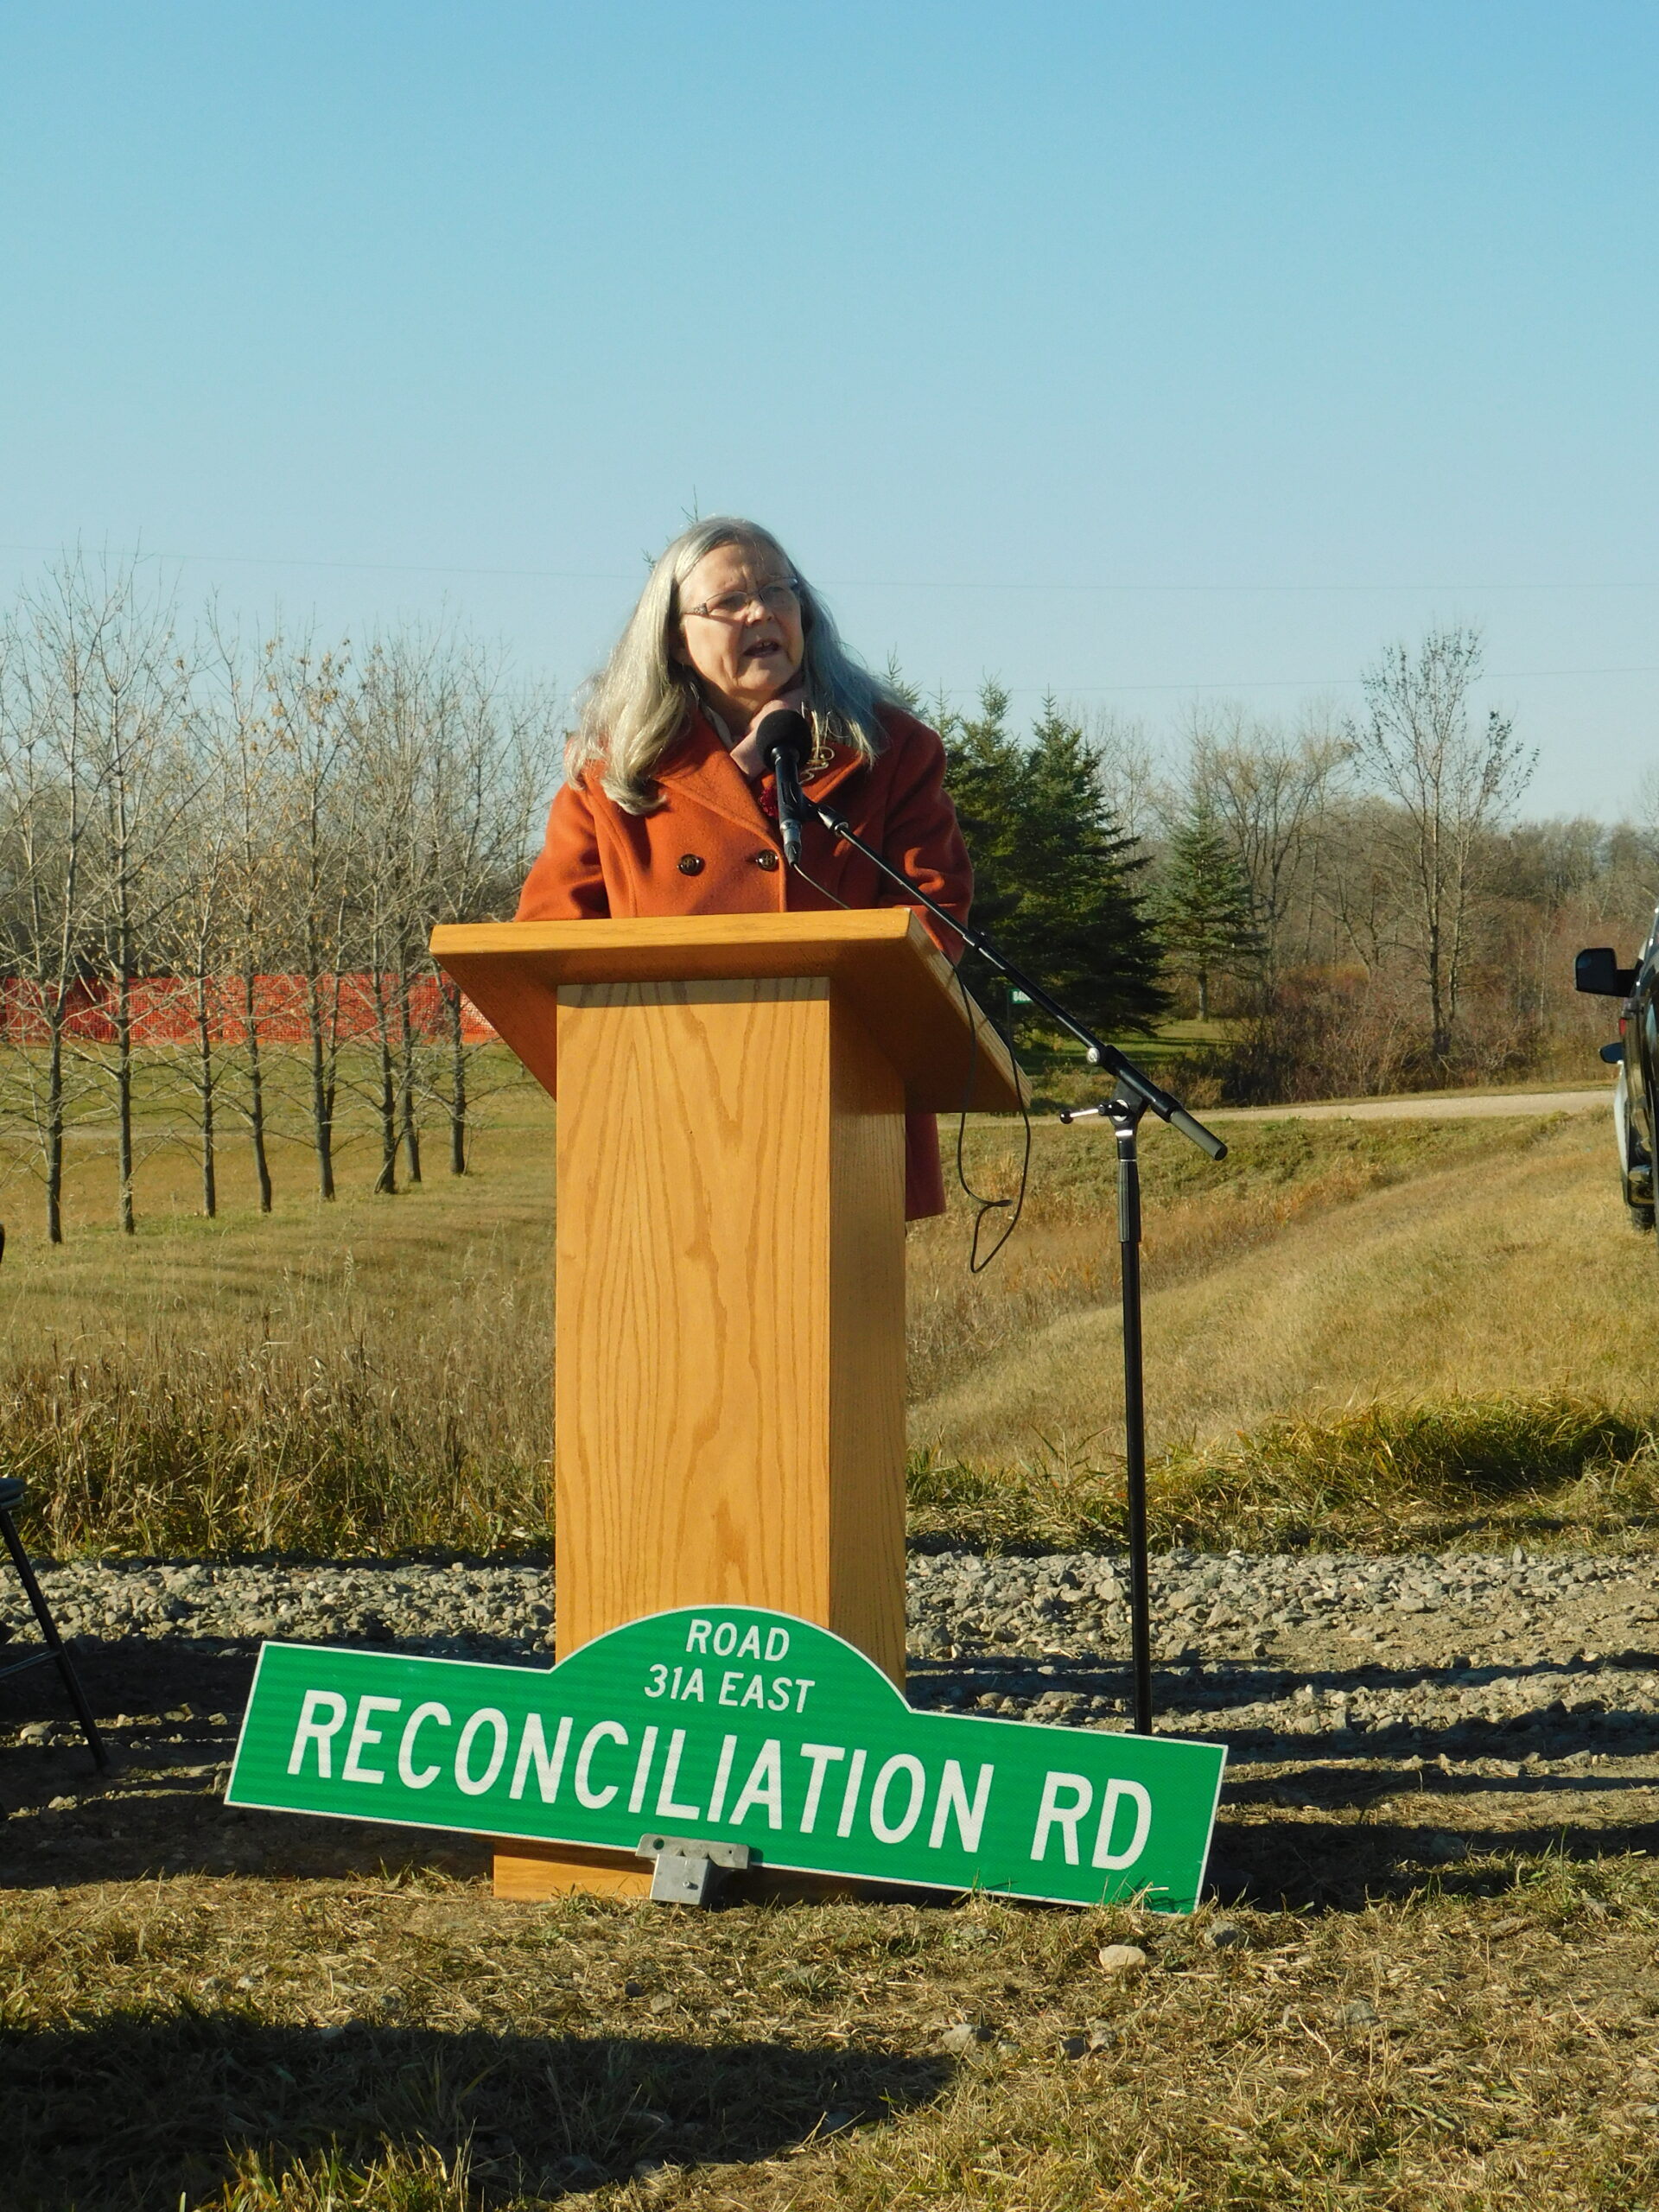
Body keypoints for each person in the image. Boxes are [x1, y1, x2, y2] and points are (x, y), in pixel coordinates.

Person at [516, 517, 973, 1217]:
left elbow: (932, 920)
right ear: (675, 637)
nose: (760, 612)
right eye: (729, 601)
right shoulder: (611, 772)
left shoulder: (888, 749)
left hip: (842, 1116)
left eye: (777, 592)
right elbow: (548, 946)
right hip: (661, 1122)